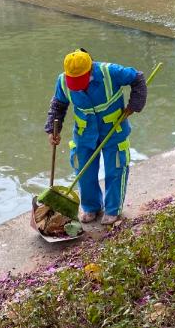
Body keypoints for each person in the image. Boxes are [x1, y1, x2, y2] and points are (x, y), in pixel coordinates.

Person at [45, 49, 148, 225]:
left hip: (113, 132)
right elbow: (58, 105)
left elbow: (138, 79)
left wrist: (134, 105)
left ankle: (112, 210)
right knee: (83, 172)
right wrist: (52, 130)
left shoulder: (111, 72)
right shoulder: (63, 81)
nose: (78, 85)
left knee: (115, 169)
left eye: (81, 80)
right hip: (84, 135)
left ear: (90, 70)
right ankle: (91, 207)